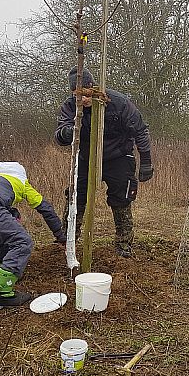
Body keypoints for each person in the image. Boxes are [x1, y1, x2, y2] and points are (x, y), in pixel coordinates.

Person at [54, 67, 153, 258]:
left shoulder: (119, 103)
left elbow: (140, 131)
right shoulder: (69, 107)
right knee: (75, 196)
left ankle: (123, 244)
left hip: (119, 157)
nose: (83, 99)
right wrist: (67, 132)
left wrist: (146, 160)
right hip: (86, 158)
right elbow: (60, 135)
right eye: (77, 95)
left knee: (121, 199)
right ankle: (68, 241)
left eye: (86, 93)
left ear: (93, 87)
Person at [0, 162, 66, 308]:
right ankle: (2, 294)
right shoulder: (21, 183)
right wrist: (60, 235)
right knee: (22, 242)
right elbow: (46, 209)